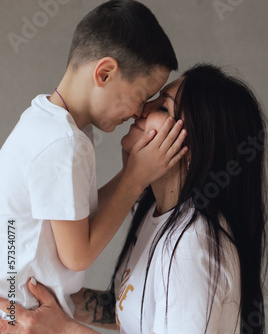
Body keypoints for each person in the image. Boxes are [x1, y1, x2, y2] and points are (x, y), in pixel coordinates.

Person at [0, 64, 268, 334]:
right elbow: (125, 308)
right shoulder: (153, 210)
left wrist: (62, 330)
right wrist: (28, 297)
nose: (143, 109)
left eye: (163, 107)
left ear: (194, 147)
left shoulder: (192, 248)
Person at [0, 0, 187, 322]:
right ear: (105, 73)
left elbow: (72, 215)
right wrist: (135, 179)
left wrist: (131, 172)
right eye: (142, 97)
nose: (141, 111)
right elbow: (77, 254)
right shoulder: (64, 144)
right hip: (20, 317)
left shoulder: (44, 122)